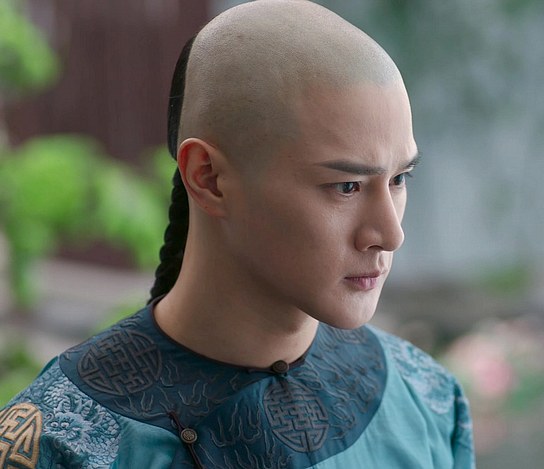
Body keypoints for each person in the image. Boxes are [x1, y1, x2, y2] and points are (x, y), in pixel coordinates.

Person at [0, 1, 474, 467]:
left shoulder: (425, 401)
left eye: (399, 179)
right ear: (208, 178)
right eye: (346, 186)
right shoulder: (61, 444)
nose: (390, 234)